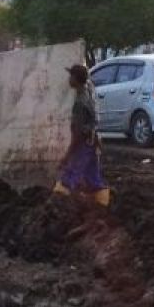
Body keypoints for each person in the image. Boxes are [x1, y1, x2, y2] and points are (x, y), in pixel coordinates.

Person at [54, 64, 110, 207]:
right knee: (93, 178)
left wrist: (67, 155)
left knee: (69, 176)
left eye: (70, 76)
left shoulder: (80, 103)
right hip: (92, 140)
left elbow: (77, 134)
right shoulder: (89, 90)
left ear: (75, 79)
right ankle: (102, 207)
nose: (68, 79)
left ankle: (58, 206)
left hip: (84, 142)